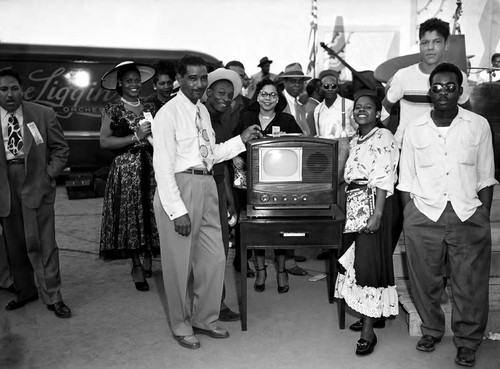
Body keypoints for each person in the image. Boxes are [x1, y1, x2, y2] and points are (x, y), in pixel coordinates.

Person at [152, 54, 262, 350]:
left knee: (214, 258)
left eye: (203, 78)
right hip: (179, 188)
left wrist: (242, 139)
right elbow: (162, 165)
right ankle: (180, 324)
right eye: (193, 78)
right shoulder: (168, 113)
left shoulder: (200, 110)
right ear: (180, 79)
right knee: (178, 266)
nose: (199, 83)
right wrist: (177, 211)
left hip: (207, 183)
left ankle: (204, 318)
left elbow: (210, 151)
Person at [398, 62, 497, 367]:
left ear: (460, 90)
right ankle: (431, 329)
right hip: (424, 213)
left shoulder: (478, 125)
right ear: (430, 91)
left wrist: (481, 215)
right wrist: (410, 217)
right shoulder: (415, 129)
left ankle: (467, 342)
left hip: (467, 213)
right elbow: (406, 179)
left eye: (450, 87)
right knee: (425, 280)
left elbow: (485, 175)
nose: (443, 92)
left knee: (470, 283)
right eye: (437, 87)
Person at [0, 69, 71, 318]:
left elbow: (61, 150)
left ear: (22, 90)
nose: (9, 94)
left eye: (14, 88)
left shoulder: (42, 114)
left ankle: (54, 296)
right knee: (14, 245)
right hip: (4, 186)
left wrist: (48, 176)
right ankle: (25, 290)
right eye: (3, 89)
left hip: (36, 183)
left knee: (44, 244)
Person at [335, 90, 400, 356]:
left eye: (368, 107)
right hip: (356, 204)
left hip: (375, 203)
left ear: (377, 113)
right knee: (357, 262)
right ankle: (369, 314)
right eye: (357, 107)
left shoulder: (383, 136)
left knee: (369, 265)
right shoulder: (357, 139)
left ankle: (368, 332)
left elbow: (384, 176)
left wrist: (378, 214)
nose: (361, 110)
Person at [236, 79, 303, 294]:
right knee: (258, 228)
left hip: (280, 183)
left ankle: (282, 271)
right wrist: (236, 157)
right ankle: (261, 270)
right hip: (252, 182)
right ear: (257, 97)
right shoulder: (246, 117)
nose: (268, 98)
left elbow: (301, 141)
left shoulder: (287, 119)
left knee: (280, 229)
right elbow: (233, 141)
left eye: (272, 95)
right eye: (264, 94)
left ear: (278, 99)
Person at [99, 61, 159, 292]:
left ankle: (148, 256)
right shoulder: (112, 108)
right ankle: (136, 264)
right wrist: (135, 136)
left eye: (137, 80)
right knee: (131, 216)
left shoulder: (149, 106)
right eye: (129, 81)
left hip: (152, 167)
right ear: (120, 84)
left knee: (150, 212)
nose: (134, 84)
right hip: (126, 170)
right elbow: (104, 142)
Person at [383, 18, 470, 149]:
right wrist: (382, 137)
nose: (430, 47)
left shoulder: (458, 76)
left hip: (443, 148)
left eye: (437, 42)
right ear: (420, 45)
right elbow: (385, 107)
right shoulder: (403, 75)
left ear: (446, 44)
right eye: (425, 42)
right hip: (406, 147)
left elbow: (468, 113)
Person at [203, 67, 242, 322]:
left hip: (218, 185)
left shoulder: (223, 120)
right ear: (208, 92)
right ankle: (208, 304)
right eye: (220, 93)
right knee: (207, 251)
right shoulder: (199, 117)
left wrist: (229, 199)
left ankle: (217, 301)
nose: (225, 98)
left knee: (219, 249)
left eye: (229, 95)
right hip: (199, 186)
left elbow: (224, 163)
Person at [281, 62, 312, 135]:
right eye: (293, 81)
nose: (297, 84)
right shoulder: (278, 102)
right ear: (285, 82)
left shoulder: (301, 105)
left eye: (300, 81)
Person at [223, 60, 251, 135]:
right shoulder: (212, 102)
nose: (237, 79)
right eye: (233, 75)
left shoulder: (250, 105)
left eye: (241, 76)